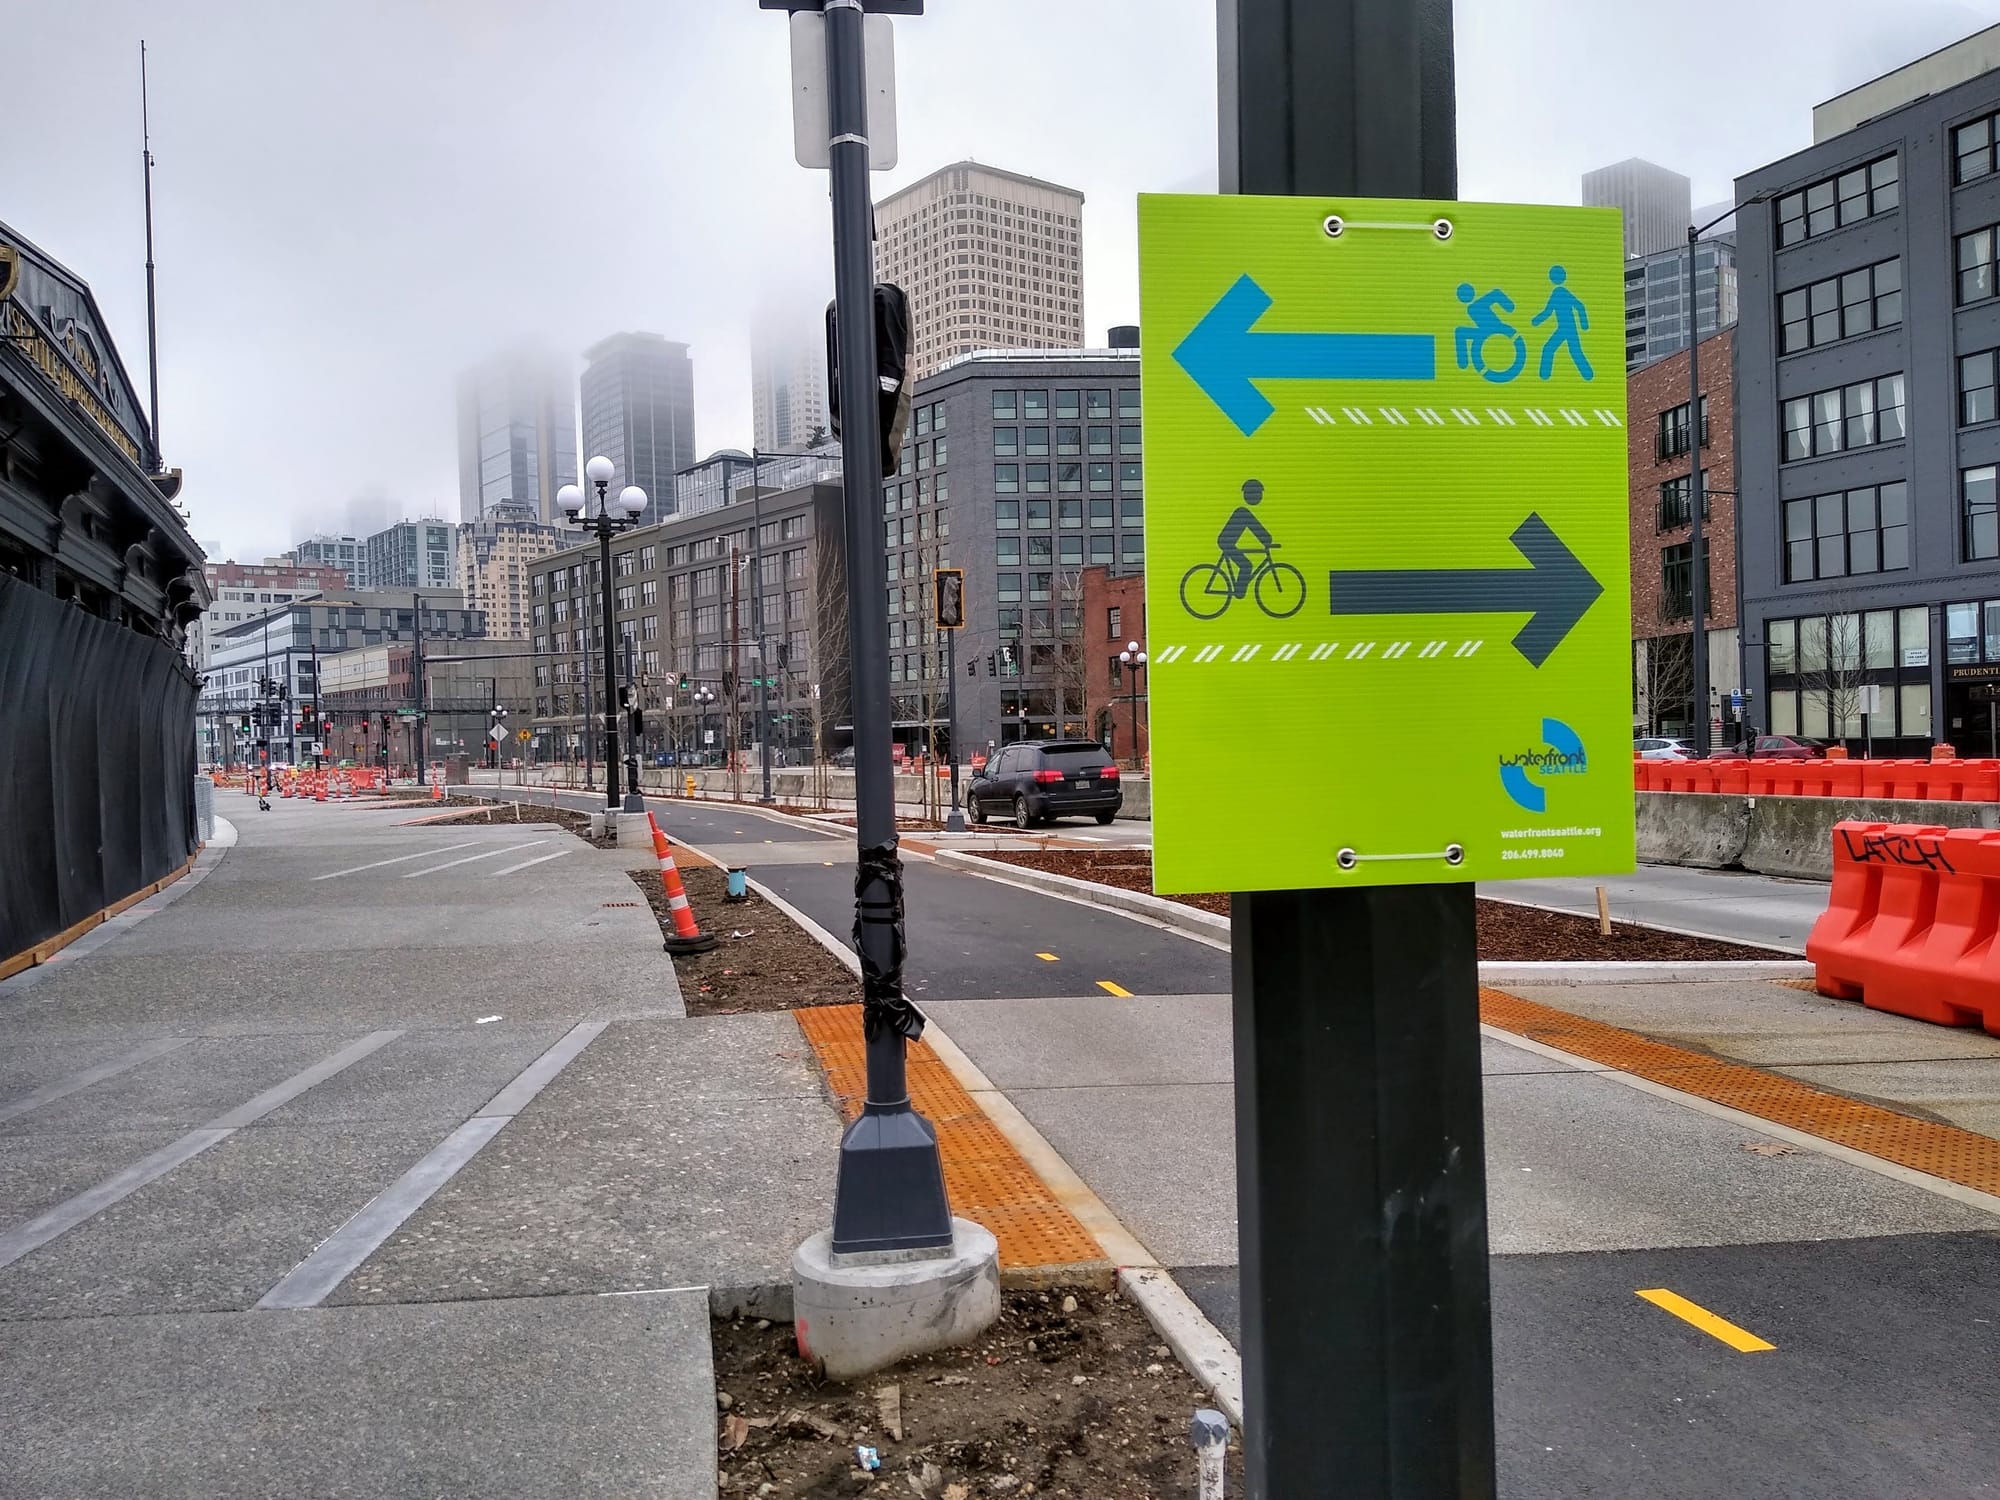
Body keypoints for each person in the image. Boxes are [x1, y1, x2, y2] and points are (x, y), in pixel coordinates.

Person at [1532, 265, 1594, 380]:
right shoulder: (1557, 293)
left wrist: (1584, 325)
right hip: (1564, 328)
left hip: (1569, 328)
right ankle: (1587, 375)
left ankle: (1544, 376)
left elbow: (1580, 306)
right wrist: (1537, 320)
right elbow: (1548, 311)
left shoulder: (1561, 292)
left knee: (1560, 350)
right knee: (1559, 350)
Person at [1455, 283, 1524, 382]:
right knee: (1461, 332)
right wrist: (1508, 307)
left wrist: (1508, 306)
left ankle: (1463, 361)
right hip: (1489, 331)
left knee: (1461, 332)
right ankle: (1463, 360)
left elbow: (1497, 295)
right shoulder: (1473, 308)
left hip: (1496, 330)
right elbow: (1498, 295)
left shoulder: (1472, 308)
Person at [1217, 479, 1274, 598]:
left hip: (1227, 542)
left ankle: (1238, 590)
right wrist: (1267, 540)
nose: (1257, 497)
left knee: (1245, 564)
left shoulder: (1245, 510)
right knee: (1247, 565)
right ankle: (1239, 592)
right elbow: (1254, 527)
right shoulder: (1243, 511)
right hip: (1226, 543)